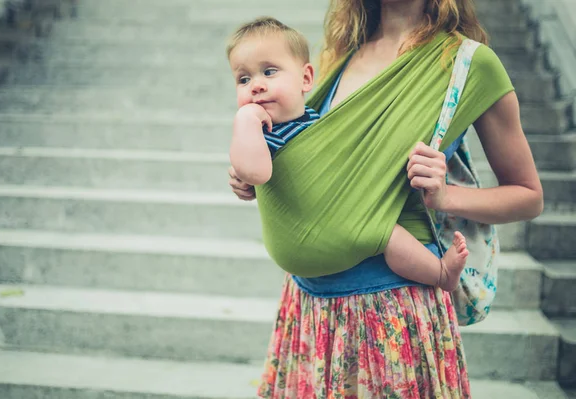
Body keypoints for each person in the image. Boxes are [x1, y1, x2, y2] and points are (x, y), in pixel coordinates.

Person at [228, 1, 543, 397]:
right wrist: (249, 177)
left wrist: (445, 197)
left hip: (391, 312)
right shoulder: (343, 51)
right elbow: (315, 166)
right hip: (311, 311)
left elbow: (529, 197)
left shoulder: (469, 63)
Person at [227, 16, 469, 293]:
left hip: (351, 215)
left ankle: (441, 273)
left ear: (306, 78)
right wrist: (246, 121)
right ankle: (440, 271)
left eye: (269, 72)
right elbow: (254, 171)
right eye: (243, 79)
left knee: (392, 238)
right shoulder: (261, 134)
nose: (255, 85)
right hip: (312, 232)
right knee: (385, 237)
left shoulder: (316, 119)